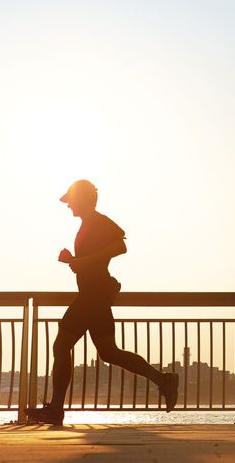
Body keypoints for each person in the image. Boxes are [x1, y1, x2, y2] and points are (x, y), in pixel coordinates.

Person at [27, 179, 179, 424]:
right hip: (94, 295)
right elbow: (91, 260)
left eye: (71, 201)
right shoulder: (88, 225)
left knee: (60, 346)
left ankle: (55, 409)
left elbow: (120, 247)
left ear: (83, 199)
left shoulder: (98, 221)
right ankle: (163, 380)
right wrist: (73, 260)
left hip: (92, 296)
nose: (68, 206)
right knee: (109, 352)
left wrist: (81, 262)